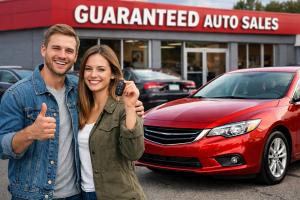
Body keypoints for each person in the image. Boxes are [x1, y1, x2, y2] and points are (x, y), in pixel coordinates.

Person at [0, 24, 144, 200]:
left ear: (75, 56)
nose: (62, 55)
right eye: (56, 48)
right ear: (43, 49)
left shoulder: (78, 91)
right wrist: (30, 133)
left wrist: (131, 108)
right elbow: (2, 147)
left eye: (69, 50)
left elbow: (109, 101)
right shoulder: (17, 94)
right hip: (33, 196)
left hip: (76, 194)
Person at [77, 44, 146, 200]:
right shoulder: (78, 107)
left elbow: (133, 153)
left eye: (101, 69)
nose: (93, 74)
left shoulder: (126, 107)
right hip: (82, 193)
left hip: (118, 195)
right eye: (88, 69)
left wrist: (129, 107)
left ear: (113, 74)